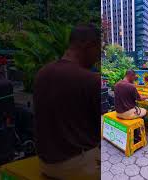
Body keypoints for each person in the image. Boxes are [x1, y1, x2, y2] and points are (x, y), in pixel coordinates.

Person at [33, 24, 99, 179]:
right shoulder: (90, 80)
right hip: (76, 166)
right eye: (98, 50)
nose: (98, 56)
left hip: (45, 164)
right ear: (88, 46)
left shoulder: (42, 73)